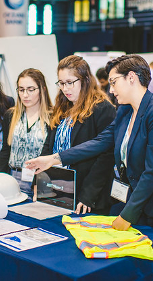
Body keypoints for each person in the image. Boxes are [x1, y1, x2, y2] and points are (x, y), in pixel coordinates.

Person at [26, 54, 153, 244]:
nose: (111, 89)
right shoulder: (125, 110)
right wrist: (54, 159)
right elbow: (100, 142)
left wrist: (127, 214)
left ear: (131, 78)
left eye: (114, 82)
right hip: (140, 206)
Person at [35, 55, 117, 215]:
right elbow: (48, 147)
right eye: (61, 83)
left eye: (70, 83)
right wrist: (39, 183)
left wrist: (88, 195)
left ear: (85, 80)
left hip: (87, 195)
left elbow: (106, 157)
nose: (65, 89)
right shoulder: (62, 105)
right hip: (57, 189)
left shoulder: (102, 108)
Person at [0, 68, 53, 193]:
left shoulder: (52, 118)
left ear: (42, 89)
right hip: (12, 178)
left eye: (31, 90)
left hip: (39, 181)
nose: (25, 95)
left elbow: (50, 156)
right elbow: (6, 150)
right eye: (21, 90)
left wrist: (39, 182)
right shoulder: (10, 115)